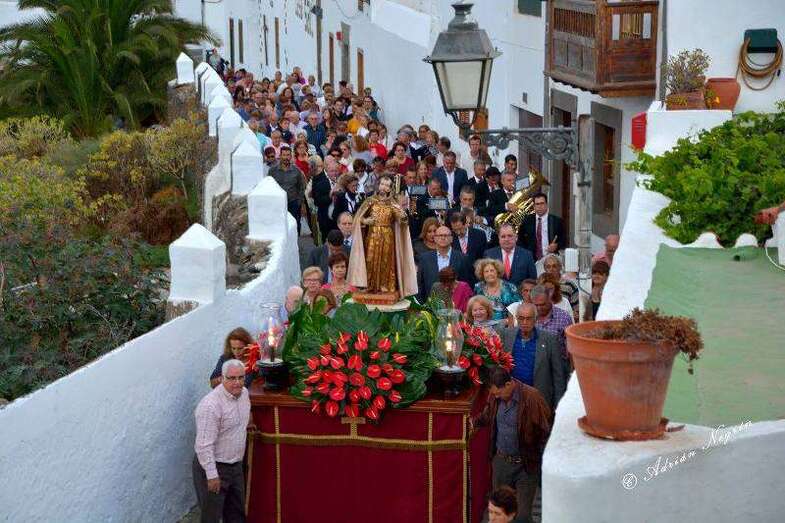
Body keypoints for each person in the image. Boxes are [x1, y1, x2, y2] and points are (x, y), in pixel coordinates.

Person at [472, 367, 551, 523]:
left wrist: (541, 459)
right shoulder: (495, 396)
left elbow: (545, 429)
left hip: (526, 465)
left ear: (508, 384)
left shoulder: (532, 397)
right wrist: (472, 423)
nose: (496, 397)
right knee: (501, 513)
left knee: (522, 516)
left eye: (499, 393)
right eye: (494, 394)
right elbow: (487, 415)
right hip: (501, 463)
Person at [193, 359, 251, 523]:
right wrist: (211, 475)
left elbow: (241, 419)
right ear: (222, 378)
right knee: (211, 517)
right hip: (213, 467)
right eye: (232, 378)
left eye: (241, 377)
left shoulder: (244, 394)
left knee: (236, 514)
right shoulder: (211, 405)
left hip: (235, 466)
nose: (237, 382)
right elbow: (204, 445)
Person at [348, 174, 418, 298]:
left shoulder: (392, 204)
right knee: (370, 259)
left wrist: (402, 213)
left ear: (390, 188)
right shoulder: (370, 201)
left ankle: (386, 286)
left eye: (387, 185)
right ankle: (369, 284)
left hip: (387, 236)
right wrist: (365, 221)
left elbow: (403, 221)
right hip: (372, 234)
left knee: (386, 261)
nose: (384, 187)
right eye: (382, 184)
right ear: (378, 185)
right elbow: (358, 218)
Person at [497, 303, 566, 410]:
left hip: (539, 399)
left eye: (528, 319)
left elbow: (559, 376)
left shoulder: (549, 339)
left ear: (536, 319)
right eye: (521, 318)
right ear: (516, 318)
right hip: (511, 399)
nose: (524, 322)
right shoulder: (506, 335)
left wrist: (559, 407)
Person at [417, 225, 469, 302]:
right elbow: (420, 285)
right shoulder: (424, 258)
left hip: (456, 308)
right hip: (431, 307)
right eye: (440, 235)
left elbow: (467, 283)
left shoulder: (463, 258)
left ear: (451, 239)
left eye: (446, 235)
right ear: (435, 238)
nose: (443, 237)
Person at [531, 284, 573, 375]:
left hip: (559, 366)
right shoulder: (529, 317)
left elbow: (570, 346)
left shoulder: (564, 317)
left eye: (542, 304)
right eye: (536, 305)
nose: (539, 308)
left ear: (549, 299)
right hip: (534, 366)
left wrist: (571, 372)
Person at [268, 145, 306, 236]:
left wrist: (299, 202)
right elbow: (269, 186)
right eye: (284, 155)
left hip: (293, 203)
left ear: (291, 156)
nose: (286, 157)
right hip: (278, 203)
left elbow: (301, 187)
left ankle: (295, 246)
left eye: (288, 155)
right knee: (279, 225)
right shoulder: (272, 171)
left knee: (294, 225)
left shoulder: (297, 171)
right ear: (280, 156)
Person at [518, 193, 566, 261]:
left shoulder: (556, 221)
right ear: (534, 206)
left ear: (546, 205)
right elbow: (520, 240)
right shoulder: (527, 221)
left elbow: (564, 240)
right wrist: (526, 255)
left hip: (550, 259)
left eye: (542, 203)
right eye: (537, 204)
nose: (539, 206)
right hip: (531, 260)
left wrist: (556, 245)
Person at [450, 209, 487, 278]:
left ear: (466, 224)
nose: (458, 233)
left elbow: (484, 256)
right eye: (455, 230)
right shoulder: (450, 237)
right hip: (458, 278)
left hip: (476, 276)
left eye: (460, 229)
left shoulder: (480, 235)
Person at [542, 254, 579, 322]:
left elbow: (577, 311)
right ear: (544, 269)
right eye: (548, 267)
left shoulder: (570, 285)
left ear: (560, 267)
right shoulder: (540, 285)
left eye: (554, 266)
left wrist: (574, 314)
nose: (551, 269)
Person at [311, 159, 340, 240]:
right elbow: (317, 201)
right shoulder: (321, 183)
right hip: (325, 219)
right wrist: (330, 197)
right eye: (331, 171)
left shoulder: (342, 183)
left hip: (339, 219)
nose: (334, 173)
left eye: (336, 171)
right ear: (327, 171)